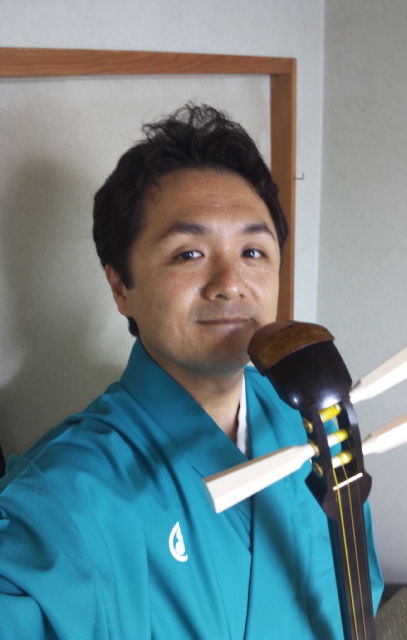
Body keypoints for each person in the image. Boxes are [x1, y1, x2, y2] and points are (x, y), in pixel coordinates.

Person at [0, 104, 383, 639]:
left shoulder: (310, 416)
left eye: (253, 251)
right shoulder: (68, 494)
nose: (230, 283)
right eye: (189, 254)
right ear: (120, 287)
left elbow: (359, 585)